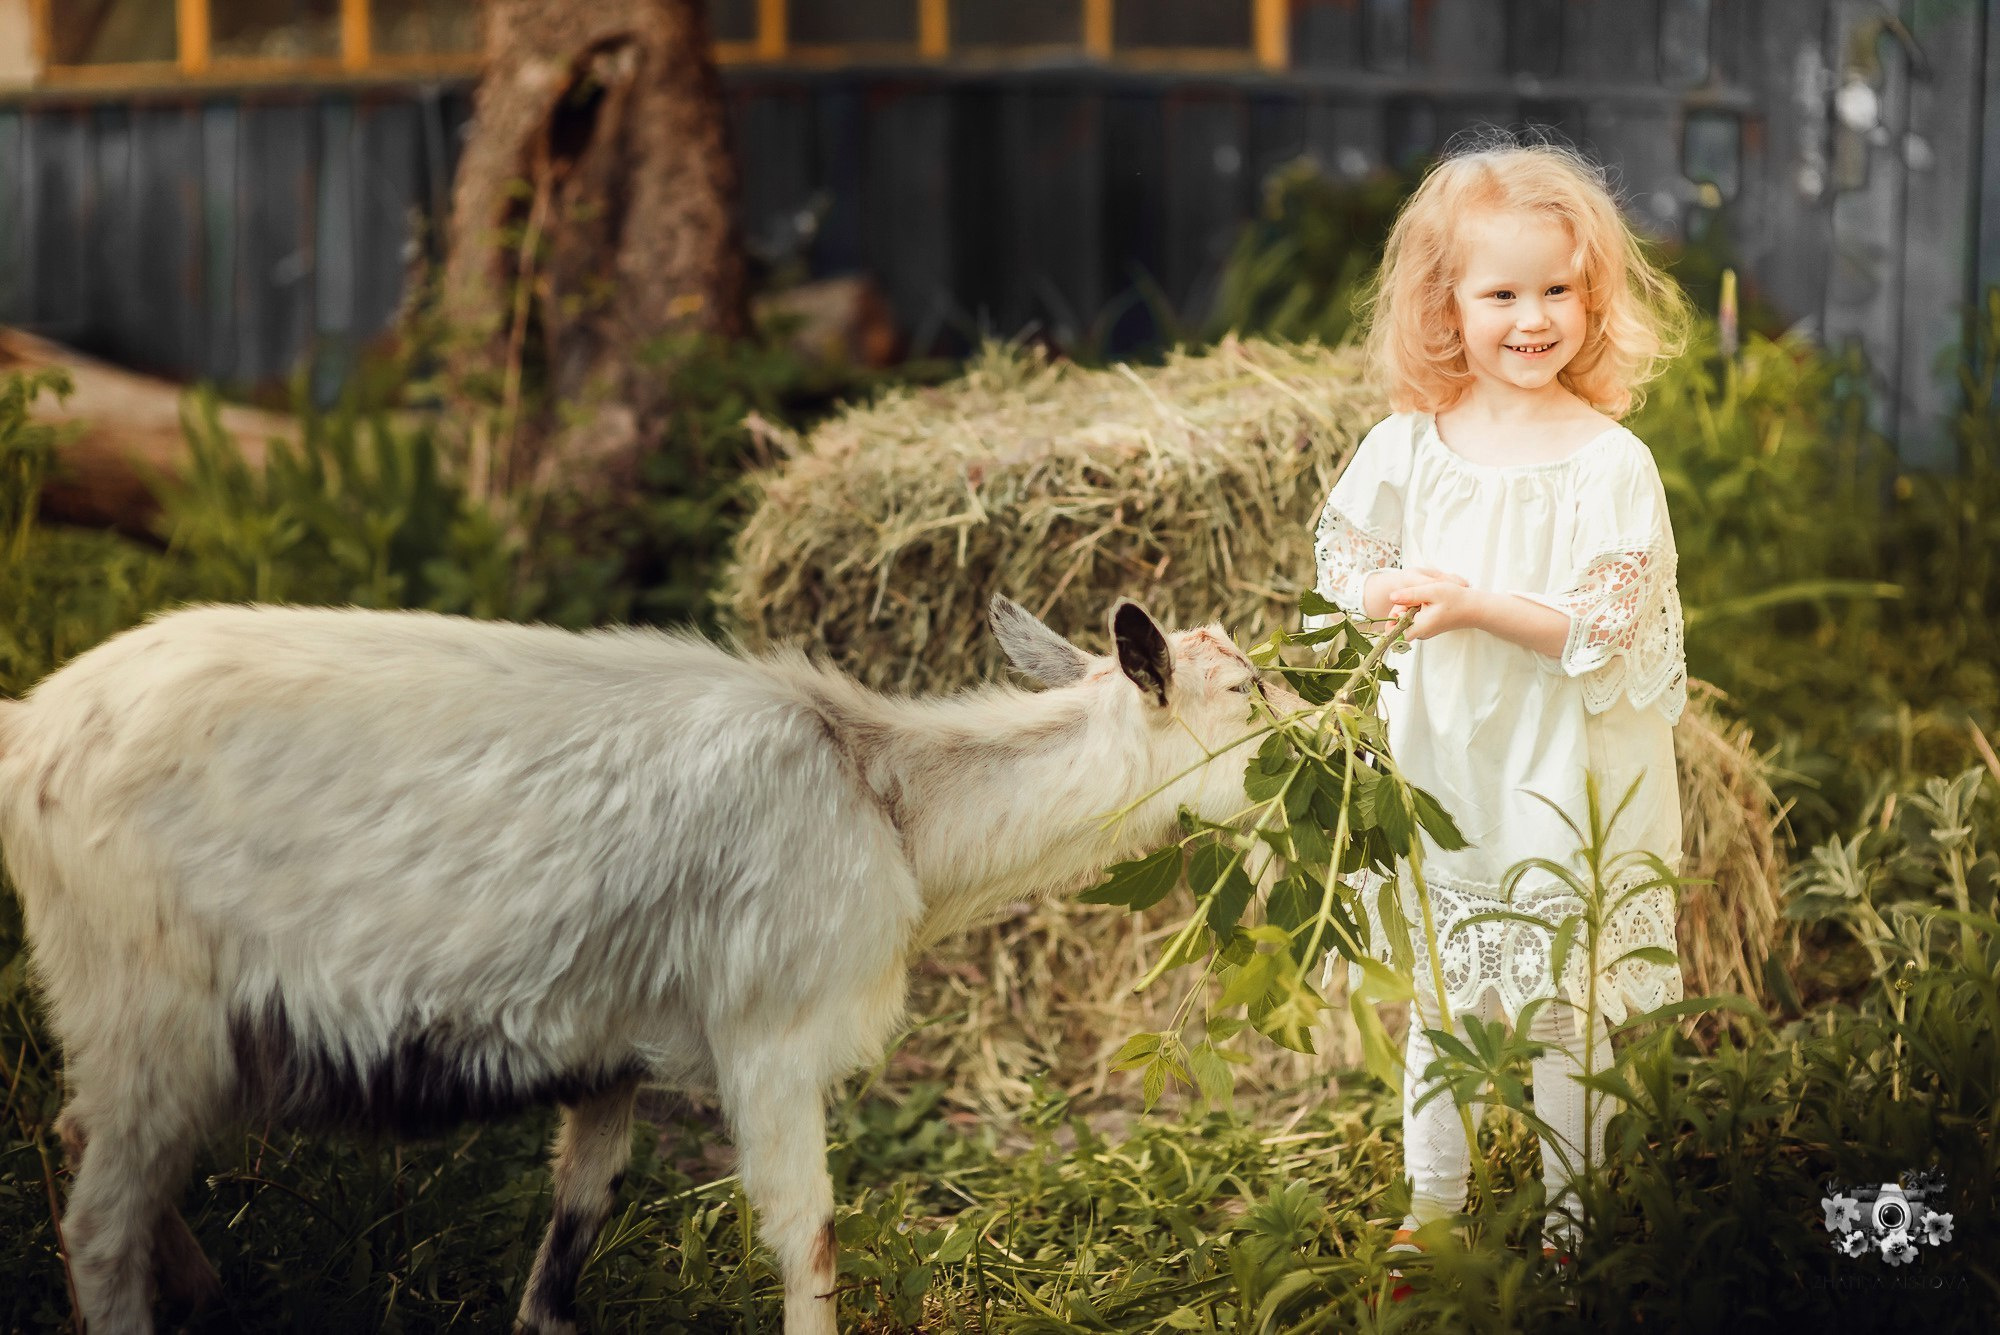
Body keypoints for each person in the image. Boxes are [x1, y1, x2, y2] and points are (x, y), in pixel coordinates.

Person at [1308, 133, 1693, 1271]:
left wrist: (1474, 604)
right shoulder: (1408, 447)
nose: (1531, 319)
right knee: (1445, 991)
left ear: (1592, 298)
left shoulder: (1606, 462)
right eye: (1500, 293)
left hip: (1559, 764)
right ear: (1445, 306)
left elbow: (1597, 622)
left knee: (1564, 1001)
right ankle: (1432, 1209)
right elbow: (1343, 550)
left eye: (1556, 291)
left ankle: (1573, 1223)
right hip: (1444, 763)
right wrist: (1379, 587)